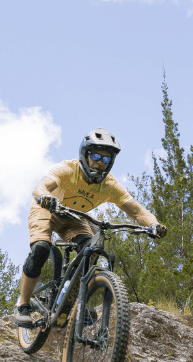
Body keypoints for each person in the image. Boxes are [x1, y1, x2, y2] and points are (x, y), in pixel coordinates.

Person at [13, 128, 167, 327]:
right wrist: (47, 197)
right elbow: (39, 188)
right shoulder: (67, 169)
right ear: (84, 155)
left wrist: (154, 225)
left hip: (74, 217)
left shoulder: (110, 185)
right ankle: (23, 305)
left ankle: (74, 301)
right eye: (94, 156)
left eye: (105, 159)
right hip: (47, 210)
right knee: (41, 248)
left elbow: (137, 212)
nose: (99, 162)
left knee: (90, 250)